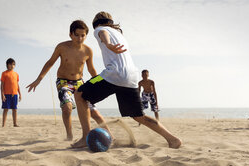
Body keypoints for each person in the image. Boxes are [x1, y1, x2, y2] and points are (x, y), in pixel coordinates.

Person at [72, 11, 181, 149]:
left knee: (79, 94)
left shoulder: (100, 29)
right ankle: (173, 139)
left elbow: (102, 34)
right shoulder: (120, 35)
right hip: (131, 77)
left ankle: (85, 137)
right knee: (138, 116)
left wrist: (108, 44)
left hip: (112, 74)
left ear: (96, 23)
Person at [26, 20, 108, 141]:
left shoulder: (88, 51)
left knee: (94, 112)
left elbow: (91, 69)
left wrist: (99, 82)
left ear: (86, 35)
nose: (80, 38)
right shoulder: (62, 47)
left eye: (83, 35)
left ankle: (109, 135)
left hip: (80, 83)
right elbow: (50, 63)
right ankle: (69, 135)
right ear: (70, 34)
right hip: (63, 82)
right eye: (77, 35)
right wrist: (39, 79)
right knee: (67, 107)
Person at [1, 58, 22, 127]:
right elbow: (2, 85)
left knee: (15, 109)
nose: (12, 66)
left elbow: (17, 84)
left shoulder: (16, 74)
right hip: (6, 94)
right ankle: (3, 124)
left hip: (14, 94)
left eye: (13, 64)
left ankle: (15, 123)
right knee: (6, 109)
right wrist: (2, 94)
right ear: (7, 65)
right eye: (11, 64)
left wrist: (20, 94)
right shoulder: (4, 73)